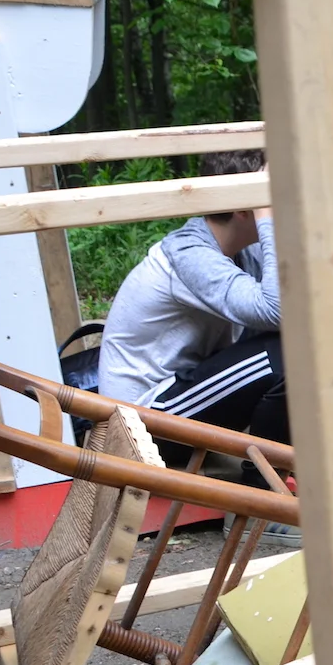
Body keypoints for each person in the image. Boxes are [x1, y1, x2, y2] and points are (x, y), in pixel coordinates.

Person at [98, 150, 297, 543]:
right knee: (283, 354)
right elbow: (276, 309)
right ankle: (259, 503)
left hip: (182, 398)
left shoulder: (243, 249)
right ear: (245, 208)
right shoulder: (190, 254)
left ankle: (286, 473)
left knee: (298, 343)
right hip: (142, 427)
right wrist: (269, 218)